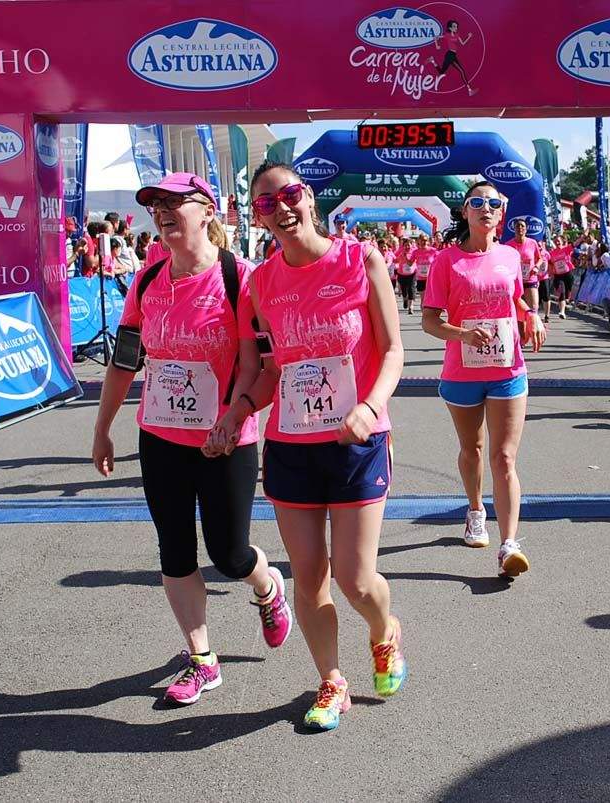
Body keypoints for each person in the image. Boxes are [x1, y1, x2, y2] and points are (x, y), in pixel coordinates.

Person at [91, 172, 292, 707]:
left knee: (228, 554)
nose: (159, 212)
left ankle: (267, 588)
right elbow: (126, 361)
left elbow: (269, 368)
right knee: (175, 548)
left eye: (172, 202)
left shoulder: (241, 280)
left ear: (206, 210)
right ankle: (202, 659)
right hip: (159, 437)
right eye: (153, 204)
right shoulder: (147, 281)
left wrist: (235, 415)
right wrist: (104, 428)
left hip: (227, 439)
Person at [229, 160, 407, 731]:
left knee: (356, 579)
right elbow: (262, 370)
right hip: (290, 445)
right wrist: (237, 413)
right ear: (257, 218)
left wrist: (369, 406)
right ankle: (331, 680)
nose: (280, 208)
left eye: (289, 194)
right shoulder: (260, 284)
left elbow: (394, 352)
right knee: (308, 578)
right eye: (264, 203)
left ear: (309, 197)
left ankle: (384, 632)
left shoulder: (361, 258)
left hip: (357, 441)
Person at [421, 181, 546, 573]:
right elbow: (429, 322)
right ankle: (475, 509)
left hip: (508, 367)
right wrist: (461, 335)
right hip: (462, 371)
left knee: (504, 457)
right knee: (472, 450)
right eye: (477, 202)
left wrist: (531, 313)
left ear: (501, 212)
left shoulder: (510, 256)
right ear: (465, 211)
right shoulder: (447, 262)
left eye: (494, 203)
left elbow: (514, 297)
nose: (486, 208)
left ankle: (509, 544)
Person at [428, 19, 476, 96]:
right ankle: (469, 90)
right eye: (454, 26)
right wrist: (437, 45)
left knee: (441, 72)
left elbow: (463, 43)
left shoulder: (457, 35)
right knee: (461, 71)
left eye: (456, 27)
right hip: (449, 55)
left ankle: (433, 61)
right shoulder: (447, 35)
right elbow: (436, 37)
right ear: (450, 28)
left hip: (453, 55)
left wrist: (469, 37)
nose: (456, 28)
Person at [504, 218, 542, 312]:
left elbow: (540, 258)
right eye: (517, 226)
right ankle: (521, 326)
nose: (520, 228)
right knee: (517, 310)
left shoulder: (532, 243)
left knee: (533, 307)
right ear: (514, 229)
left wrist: (536, 267)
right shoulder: (508, 245)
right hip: (515, 281)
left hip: (530, 279)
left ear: (526, 229)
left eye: (522, 226)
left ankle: (533, 325)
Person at [549, 237, 576, 319]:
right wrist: (551, 273)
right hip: (558, 276)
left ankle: (568, 298)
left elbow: (575, 243)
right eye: (556, 241)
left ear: (562, 242)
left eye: (559, 241)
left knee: (568, 291)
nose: (557, 242)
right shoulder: (552, 253)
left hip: (568, 274)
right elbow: (549, 264)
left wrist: (582, 237)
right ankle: (562, 312)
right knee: (562, 292)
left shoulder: (566, 249)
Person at [394, 236, 418, 314]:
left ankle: (411, 306)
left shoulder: (414, 251)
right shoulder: (400, 251)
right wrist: (400, 257)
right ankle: (405, 298)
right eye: (405, 245)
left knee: (411, 289)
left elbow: (419, 258)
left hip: (412, 273)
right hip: (401, 273)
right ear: (403, 246)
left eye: (409, 245)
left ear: (411, 245)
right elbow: (394, 259)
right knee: (404, 290)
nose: (407, 247)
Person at [411, 232, 436, 297]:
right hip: (420, 278)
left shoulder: (433, 251)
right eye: (422, 240)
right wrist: (404, 257)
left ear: (427, 241)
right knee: (423, 299)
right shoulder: (415, 252)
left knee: (430, 298)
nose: (423, 242)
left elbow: (439, 262)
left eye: (425, 240)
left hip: (430, 278)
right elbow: (410, 263)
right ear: (419, 241)